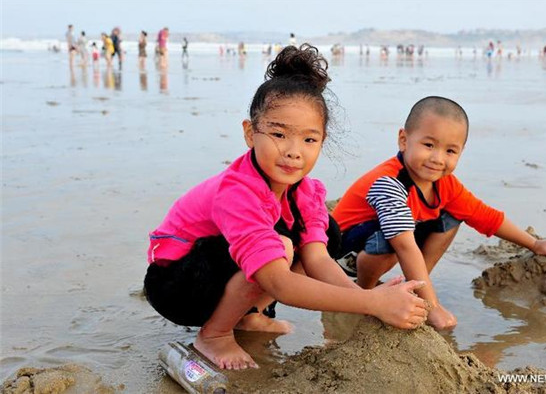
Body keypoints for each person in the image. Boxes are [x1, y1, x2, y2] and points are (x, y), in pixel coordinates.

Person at [144, 44, 428, 370]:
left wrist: (364, 300)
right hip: (176, 282)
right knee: (278, 248)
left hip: (219, 265)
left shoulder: (304, 190)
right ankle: (215, 334)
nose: (294, 152)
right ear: (250, 133)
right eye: (279, 134)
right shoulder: (237, 191)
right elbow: (278, 281)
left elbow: (318, 259)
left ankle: (248, 316)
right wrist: (372, 301)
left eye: (309, 140)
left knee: (323, 238)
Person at [331, 96, 546, 331]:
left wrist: (534, 244)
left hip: (380, 245)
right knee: (393, 237)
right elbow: (404, 245)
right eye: (428, 145)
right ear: (404, 140)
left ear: (461, 151)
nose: (437, 159)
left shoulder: (445, 184)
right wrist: (432, 307)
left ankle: (415, 286)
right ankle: (363, 294)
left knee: (453, 216)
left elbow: (485, 216)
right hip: (340, 259)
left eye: (450, 151)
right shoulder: (388, 182)